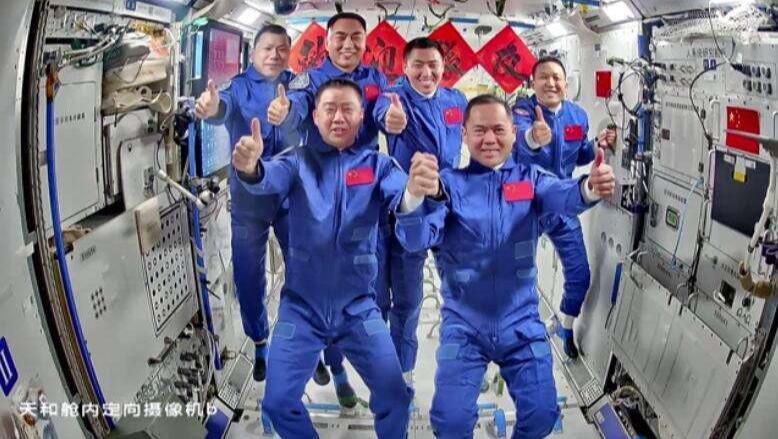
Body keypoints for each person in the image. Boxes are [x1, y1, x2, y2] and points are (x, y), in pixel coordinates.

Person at [394, 95, 615, 438]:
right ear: (464, 134)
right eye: (479, 130)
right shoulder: (448, 187)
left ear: (513, 132)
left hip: (521, 322)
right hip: (464, 326)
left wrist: (588, 187)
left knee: (542, 414)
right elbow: (415, 239)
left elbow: (561, 194)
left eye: (498, 130)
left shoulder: (531, 179)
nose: (489, 139)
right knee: (450, 422)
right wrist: (412, 198)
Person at [232, 78, 413, 438]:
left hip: (358, 308)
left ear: (361, 116)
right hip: (301, 308)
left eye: (348, 109)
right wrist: (251, 167)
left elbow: (401, 197)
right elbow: (267, 177)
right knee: (277, 403)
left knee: (396, 397)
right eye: (329, 109)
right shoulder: (297, 161)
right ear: (315, 116)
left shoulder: (378, 166)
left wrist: (416, 193)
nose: (338, 117)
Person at [266, 12, 388, 403]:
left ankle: (337, 363)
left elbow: (384, 108)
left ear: (365, 41)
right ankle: (327, 364)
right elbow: (298, 105)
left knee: (354, 283)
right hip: (314, 189)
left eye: (356, 37)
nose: (348, 44)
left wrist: (391, 118)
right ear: (328, 41)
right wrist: (286, 112)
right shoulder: (310, 79)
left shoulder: (375, 79)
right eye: (340, 37)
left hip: (360, 191)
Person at [194, 24, 297, 382]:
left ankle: (302, 335)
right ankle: (260, 343)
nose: (274, 55)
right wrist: (211, 107)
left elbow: (309, 110)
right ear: (253, 53)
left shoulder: (296, 86)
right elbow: (221, 105)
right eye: (267, 48)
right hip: (249, 201)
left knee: (303, 269)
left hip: (289, 197)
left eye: (282, 49)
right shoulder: (238, 87)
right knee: (249, 277)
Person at [372, 37, 467, 385]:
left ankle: (465, 362)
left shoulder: (456, 100)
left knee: (461, 290)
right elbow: (384, 115)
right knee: (406, 300)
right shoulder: (393, 98)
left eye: (433, 65)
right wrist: (391, 119)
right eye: (418, 65)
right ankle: (401, 373)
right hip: (408, 209)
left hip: (447, 207)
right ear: (405, 68)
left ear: (443, 67)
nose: (426, 73)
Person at [512, 56, 617, 358]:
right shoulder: (522, 112)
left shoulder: (577, 116)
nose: (551, 83)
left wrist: (596, 144)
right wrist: (534, 137)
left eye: (557, 77)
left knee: (580, 274)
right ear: (533, 83)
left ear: (566, 84)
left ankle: (566, 327)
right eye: (543, 77)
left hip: (562, 205)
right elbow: (519, 143)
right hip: (525, 206)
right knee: (517, 277)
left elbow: (580, 153)